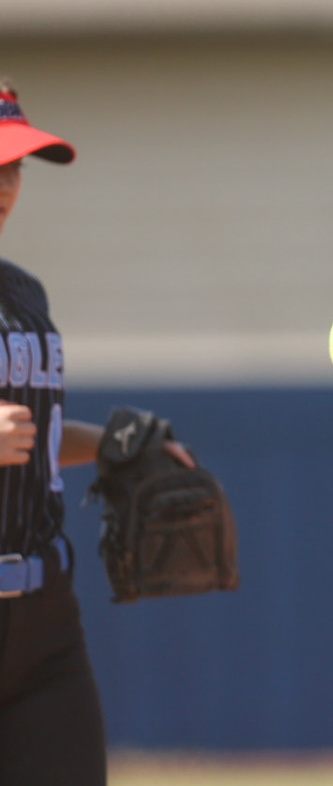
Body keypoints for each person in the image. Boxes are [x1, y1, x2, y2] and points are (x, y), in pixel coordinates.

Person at [0, 80, 192, 783]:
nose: (7, 183)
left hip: (44, 622)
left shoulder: (22, 293)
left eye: (16, 166)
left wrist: (118, 444)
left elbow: (32, 433)